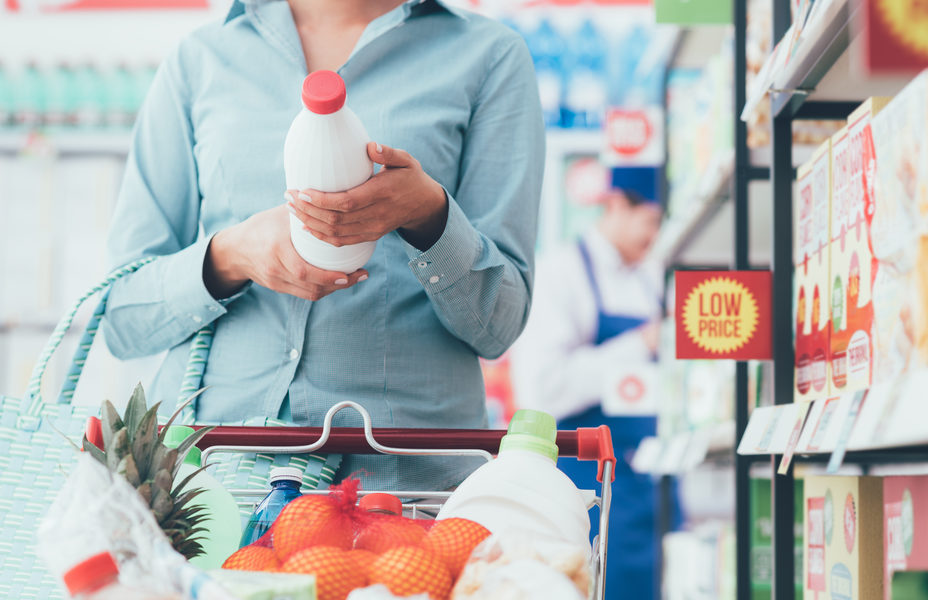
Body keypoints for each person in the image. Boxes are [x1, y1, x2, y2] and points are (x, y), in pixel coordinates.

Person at [101, 0, 544, 493]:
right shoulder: (202, 58)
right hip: (209, 485)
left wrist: (429, 217)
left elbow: (500, 326)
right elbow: (121, 316)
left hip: (402, 489)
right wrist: (228, 257)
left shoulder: (488, 56)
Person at [510, 166, 667, 599]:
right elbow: (544, 391)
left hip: (647, 488)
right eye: (650, 220)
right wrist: (641, 343)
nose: (655, 235)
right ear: (615, 205)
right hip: (585, 487)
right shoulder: (562, 273)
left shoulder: (652, 278)